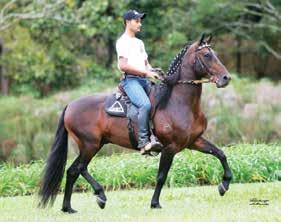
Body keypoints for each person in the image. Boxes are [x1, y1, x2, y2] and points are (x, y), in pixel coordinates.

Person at [116, 9, 162, 154]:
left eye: (140, 21)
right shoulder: (122, 42)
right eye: (137, 21)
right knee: (145, 105)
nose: (140, 24)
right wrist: (145, 72)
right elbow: (123, 66)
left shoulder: (139, 43)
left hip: (143, 79)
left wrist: (153, 71)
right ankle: (143, 143)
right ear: (127, 22)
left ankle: (157, 136)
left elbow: (146, 63)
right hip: (130, 81)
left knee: (160, 99)